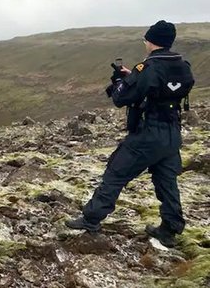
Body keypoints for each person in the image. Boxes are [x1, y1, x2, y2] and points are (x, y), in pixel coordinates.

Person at [66, 20, 195, 248]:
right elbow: (162, 88)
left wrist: (121, 80)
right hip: (172, 134)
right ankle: (170, 229)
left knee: (116, 173)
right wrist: (133, 77)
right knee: (167, 182)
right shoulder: (182, 65)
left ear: (150, 41)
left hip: (147, 134)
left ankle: (91, 219)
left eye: (145, 39)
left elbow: (120, 98)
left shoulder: (147, 68)